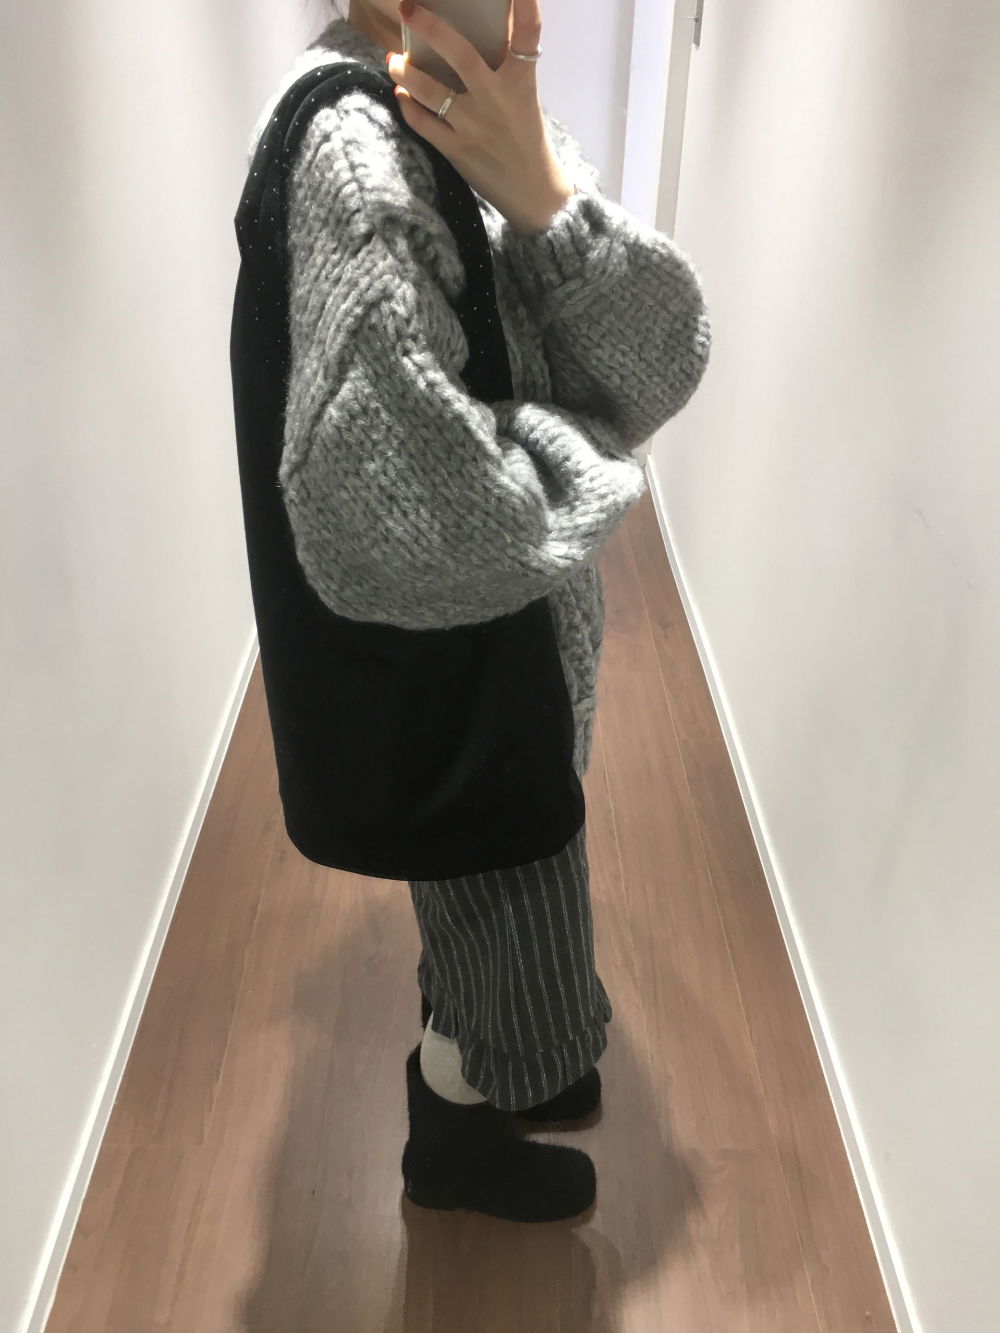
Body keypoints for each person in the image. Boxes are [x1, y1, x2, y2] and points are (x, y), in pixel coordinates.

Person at [243, 0, 711, 1222]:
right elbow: (413, 517)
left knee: (495, 900)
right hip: (466, 670)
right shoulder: (364, 164)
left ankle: (497, 1064)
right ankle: (453, 1139)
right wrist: (595, 453)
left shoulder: (462, 112)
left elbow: (656, 363)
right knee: (503, 901)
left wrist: (543, 192)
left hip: (489, 650)